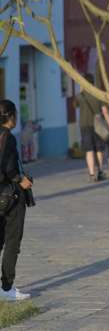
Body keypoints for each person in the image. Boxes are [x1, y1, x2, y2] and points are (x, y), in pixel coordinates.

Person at [0, 100, 33, 301]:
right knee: (12, 241)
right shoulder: (8, 137)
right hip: (10, 196)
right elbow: (9, 167)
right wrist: (23, 181)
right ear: (11, 116)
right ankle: (6, 288)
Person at [76, 74, 109, 182]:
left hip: (84, 125)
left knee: (89, 150)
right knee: (99, 149)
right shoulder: (98, 94)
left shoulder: (80, 95)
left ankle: (92, 173)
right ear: (93, 82)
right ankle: (100, 171)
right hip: (98, 126)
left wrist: (81, 91)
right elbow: (105, 111)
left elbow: (74, 105)